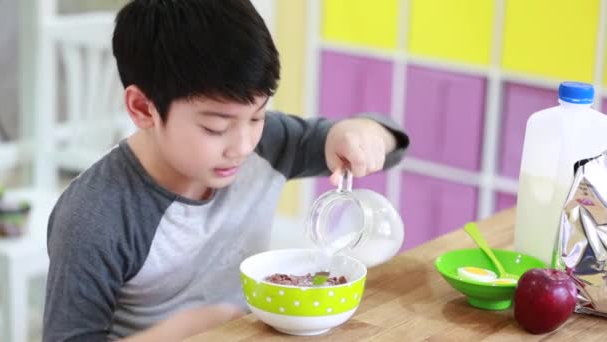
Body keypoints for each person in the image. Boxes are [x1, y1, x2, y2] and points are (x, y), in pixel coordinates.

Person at [42, 0, 410, 340]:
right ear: (143, 108)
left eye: (258, 116)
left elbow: (390, 144)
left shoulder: (268, 144)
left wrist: (362, 132)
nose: (243, 146)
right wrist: (183, 332)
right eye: (215, 128)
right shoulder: (95, 216)